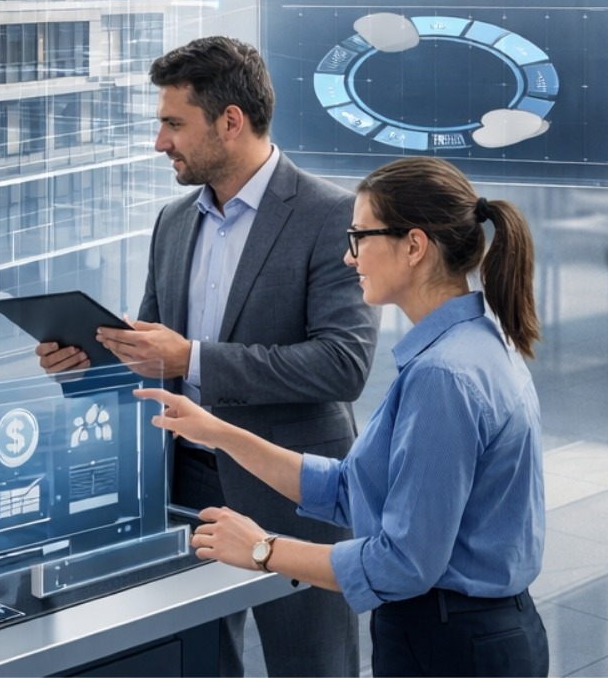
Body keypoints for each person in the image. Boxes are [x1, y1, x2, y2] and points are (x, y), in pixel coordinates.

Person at [37, 36, 375, 677]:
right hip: (181, 485)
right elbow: (152, 357)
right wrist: (87, 365)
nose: (160, 142)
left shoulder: (332, 217)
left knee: (312, 664)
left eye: (173, 124)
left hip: (290, 489)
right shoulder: (172, 221)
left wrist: (192, 357)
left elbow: (343, 365)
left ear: (230, 121)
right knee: (195, 661)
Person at [137, 156, 547, 678]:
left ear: (415, 246)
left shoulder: (443, 376)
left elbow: (401, 564)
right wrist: (219, 433)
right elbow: (353, 488)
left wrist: (263, 549)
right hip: (465, 634)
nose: (350, 258)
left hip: (451, 644)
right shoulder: (473, 342)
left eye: (359, 237)